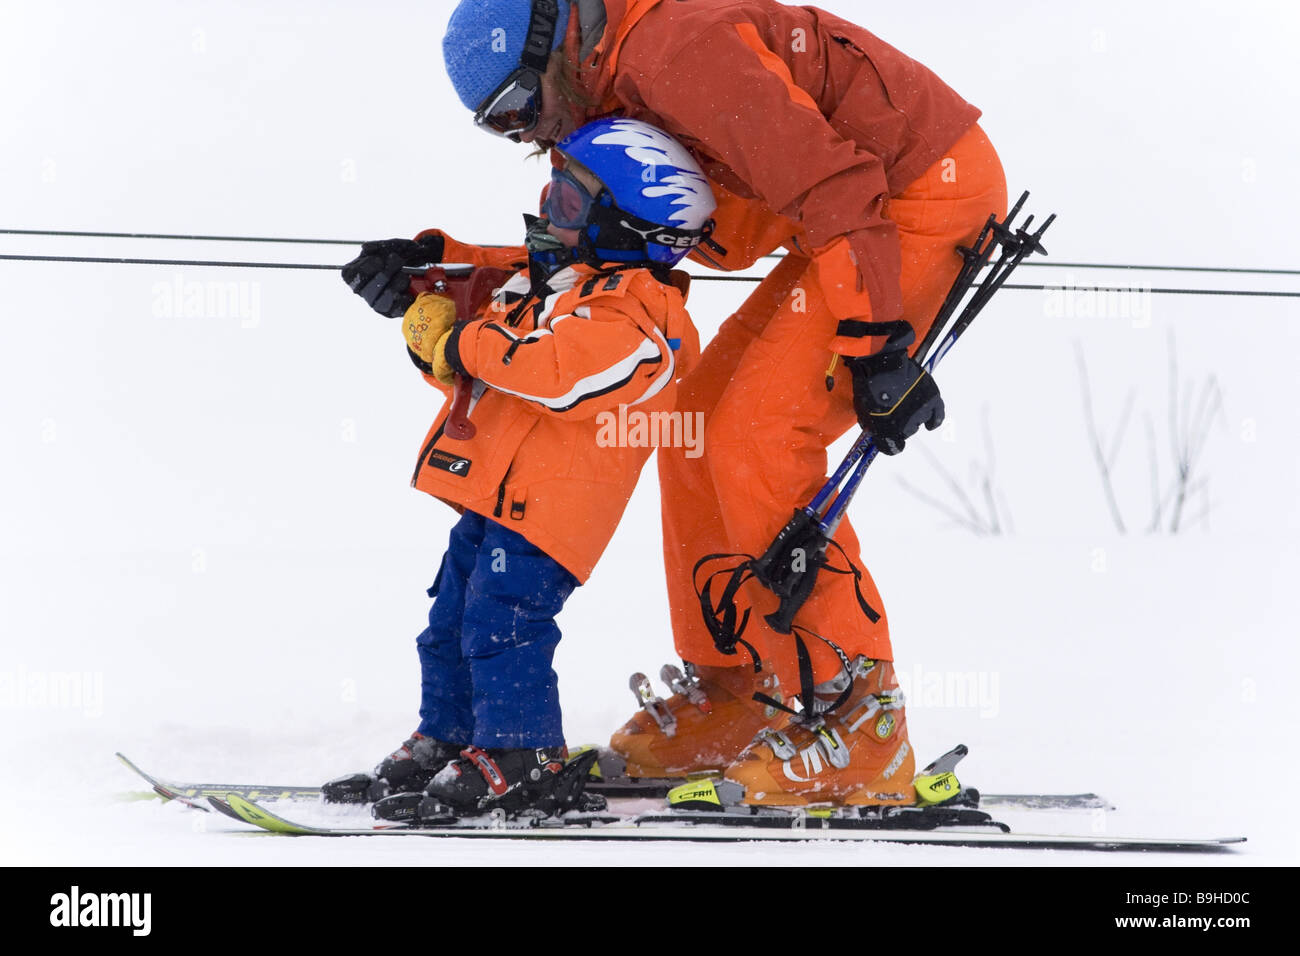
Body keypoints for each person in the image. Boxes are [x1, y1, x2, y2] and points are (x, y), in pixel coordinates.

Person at [430, 0, 1011, 809]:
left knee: (759, 434)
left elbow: (834, 181)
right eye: (497, 127)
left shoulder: (675, 53)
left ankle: (861, 719)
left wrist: (877, 343)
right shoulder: (614, 71)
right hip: (844, 216)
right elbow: (601, 248)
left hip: (907, 202)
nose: (524, 134)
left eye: (518, 109)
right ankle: (741, 685)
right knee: (693, 424)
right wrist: (453, 271)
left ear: (551, 44)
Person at [331, 117, 715, 816]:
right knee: (449, 619)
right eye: (550, 195)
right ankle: (451, 737)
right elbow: (483, 350)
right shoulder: (559, 285)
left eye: (567, 205)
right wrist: (432, 310)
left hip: (553, 514)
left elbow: (555, 374)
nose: (548, 215)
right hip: (496, 497)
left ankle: (522, 750)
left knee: (501, 623)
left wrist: (461, 340)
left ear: (624, 229)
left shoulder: (639, 315)